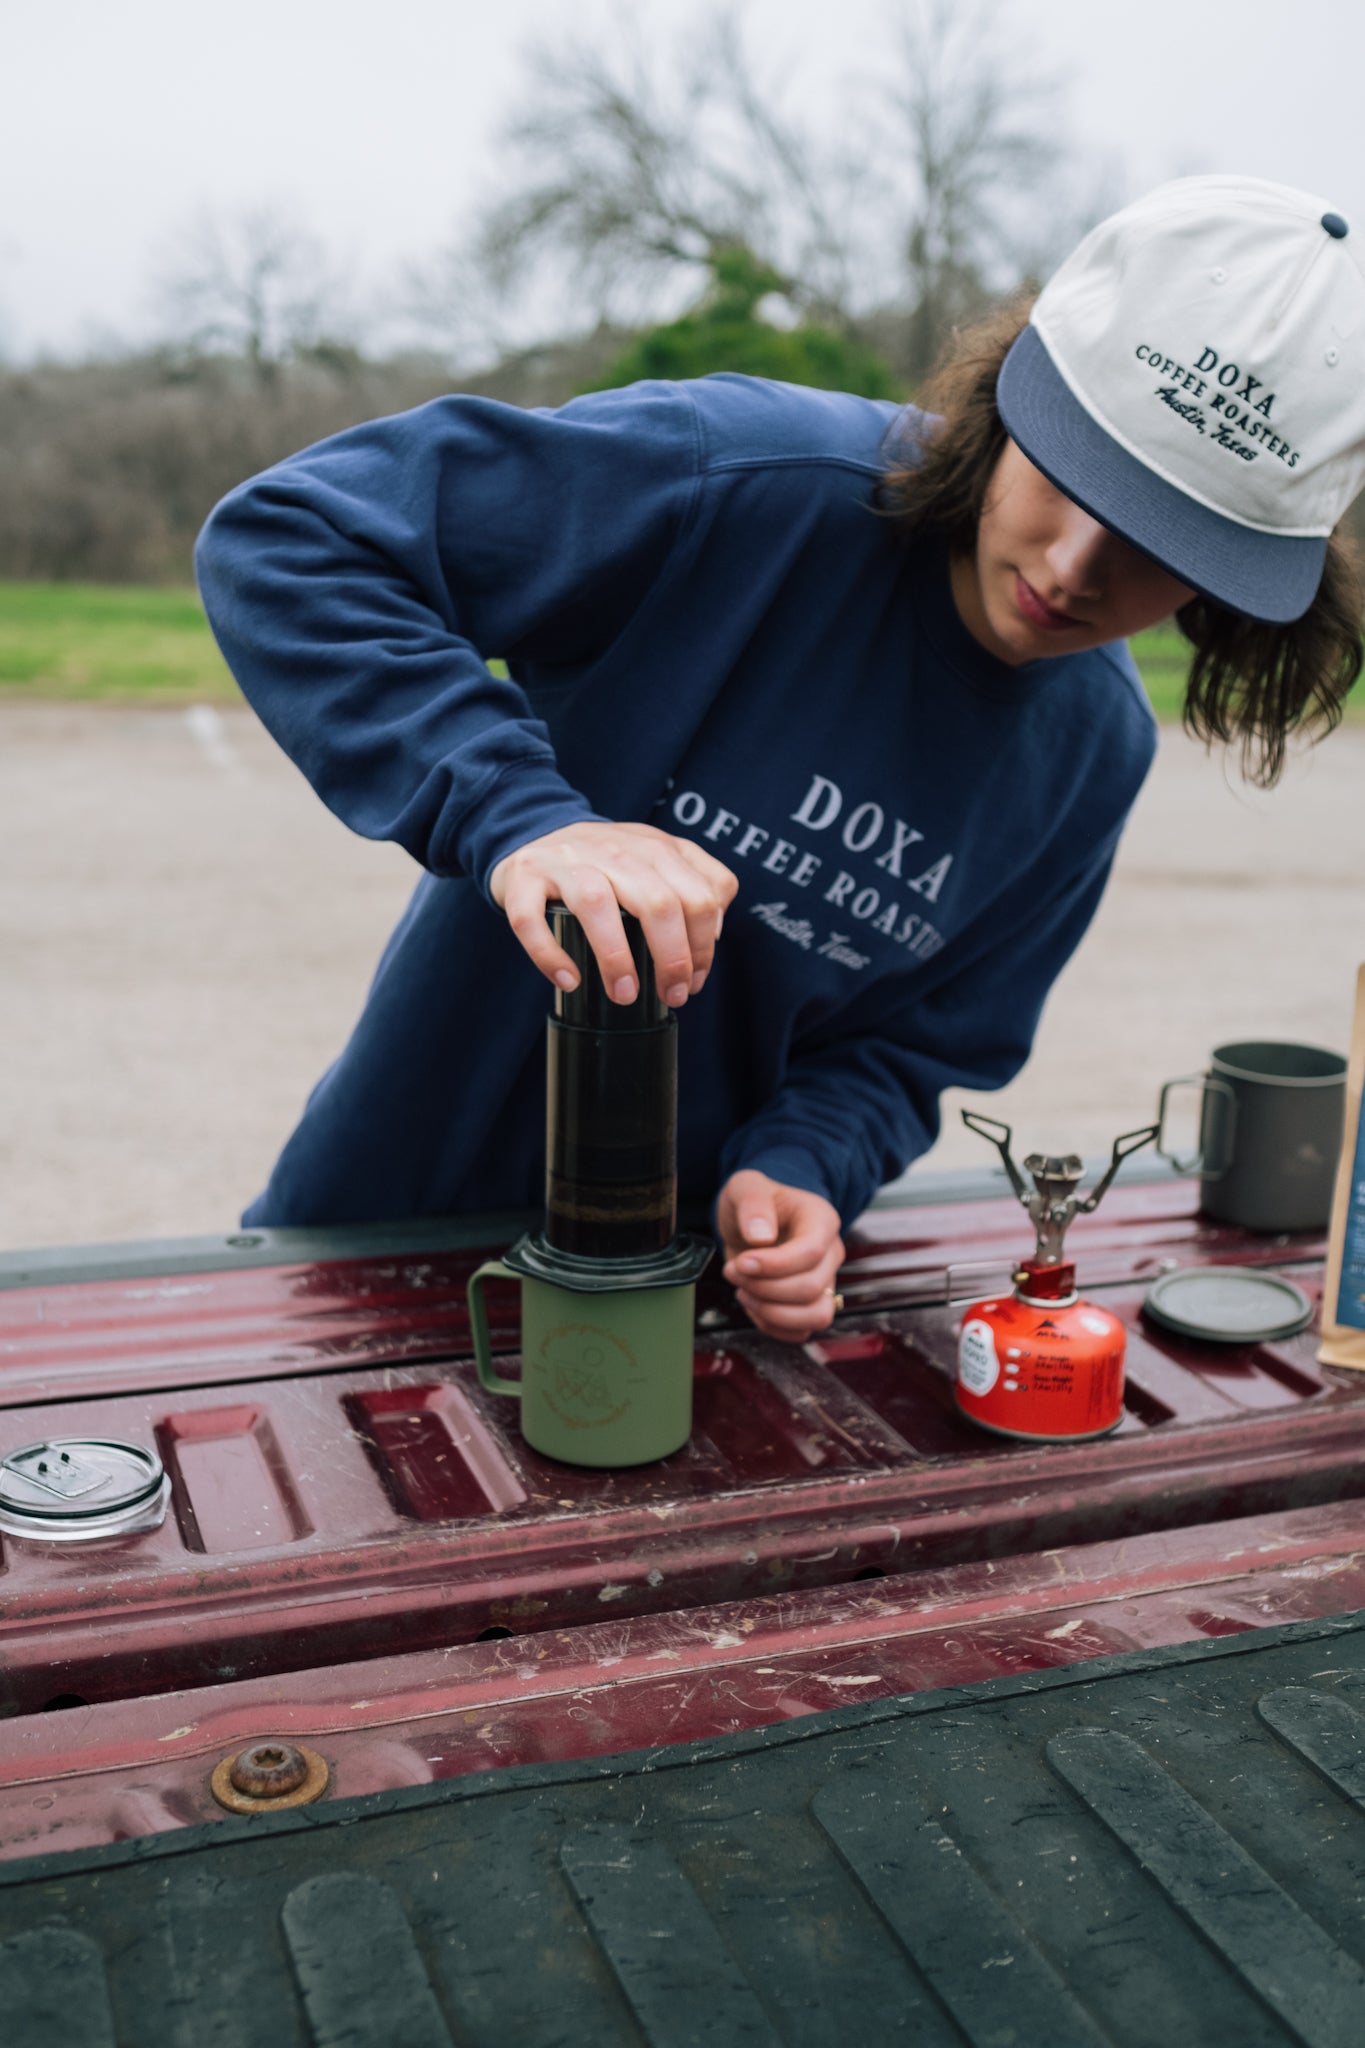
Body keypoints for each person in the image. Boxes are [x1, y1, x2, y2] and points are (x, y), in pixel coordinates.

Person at [196, 175, 1365, 1341]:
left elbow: (913, 1047)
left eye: (1160, 548)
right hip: (386, 1221)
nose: (1071, 567)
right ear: (1014, 408)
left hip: (691, 1299)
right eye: (1067, 479)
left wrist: (807, 1165)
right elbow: (292, 538)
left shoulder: (1094, 752)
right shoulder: (747, 480)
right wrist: (522, 814)